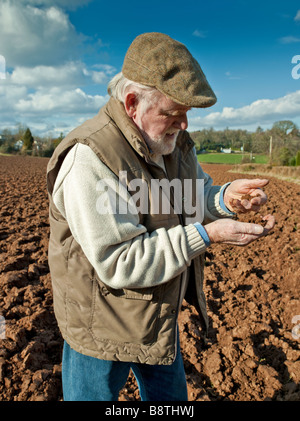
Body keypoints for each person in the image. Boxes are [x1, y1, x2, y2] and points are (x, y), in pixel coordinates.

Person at [46, 32, 275, 401]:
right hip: (102, 327)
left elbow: (191, 196)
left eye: (188, 114)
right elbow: (120, 260)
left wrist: (225, 199)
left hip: (158, 318)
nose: (184, 124)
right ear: (133, 103)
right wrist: (208, 235)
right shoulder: (91, 158)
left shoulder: (169, 144)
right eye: (174, 113)